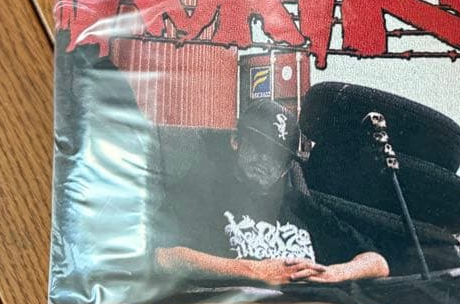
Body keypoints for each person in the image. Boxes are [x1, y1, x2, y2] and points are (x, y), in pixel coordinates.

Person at [154, 99, 389, 287]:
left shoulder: (300, 206)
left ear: (287, 167)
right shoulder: (204, 189)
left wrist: (334, 273)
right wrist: (256, 271)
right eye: (259, 146)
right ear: (236, 141)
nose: (265, 159)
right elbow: (165, 257)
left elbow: (378, 263)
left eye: (277, 155)